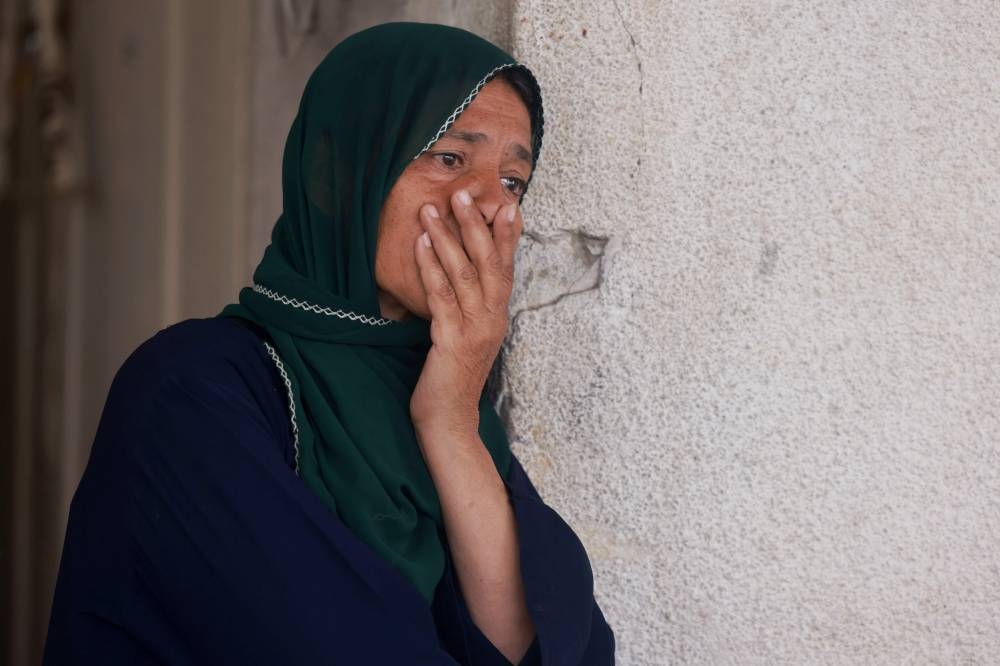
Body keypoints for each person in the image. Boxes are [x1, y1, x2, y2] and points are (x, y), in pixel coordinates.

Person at [43, 22, 615, 665]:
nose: (490, 207)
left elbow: (544, 650)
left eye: (513, 181)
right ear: (337, 176)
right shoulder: (187, 394)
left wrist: (452, 422)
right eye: (450, 158)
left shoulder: (445, 392)